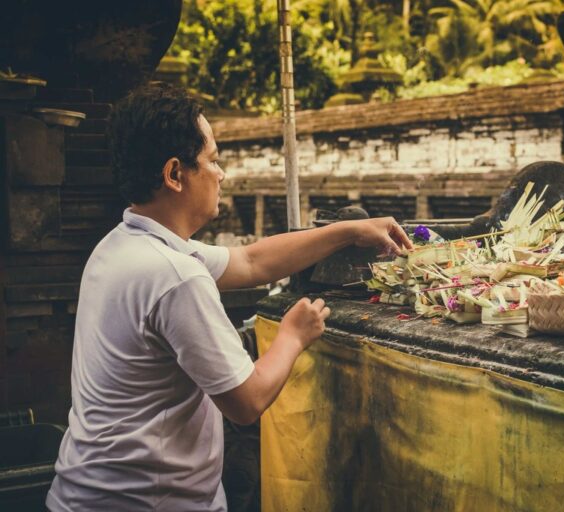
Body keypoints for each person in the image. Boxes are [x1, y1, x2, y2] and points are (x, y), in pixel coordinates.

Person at [46, 82, 413, 511]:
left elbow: (251, 262)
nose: (221, 174)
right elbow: (247, 400)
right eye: (212, 160)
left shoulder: (123, 244)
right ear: (174, 174)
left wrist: (348, 231)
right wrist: (293, 335)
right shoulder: (175, 276)